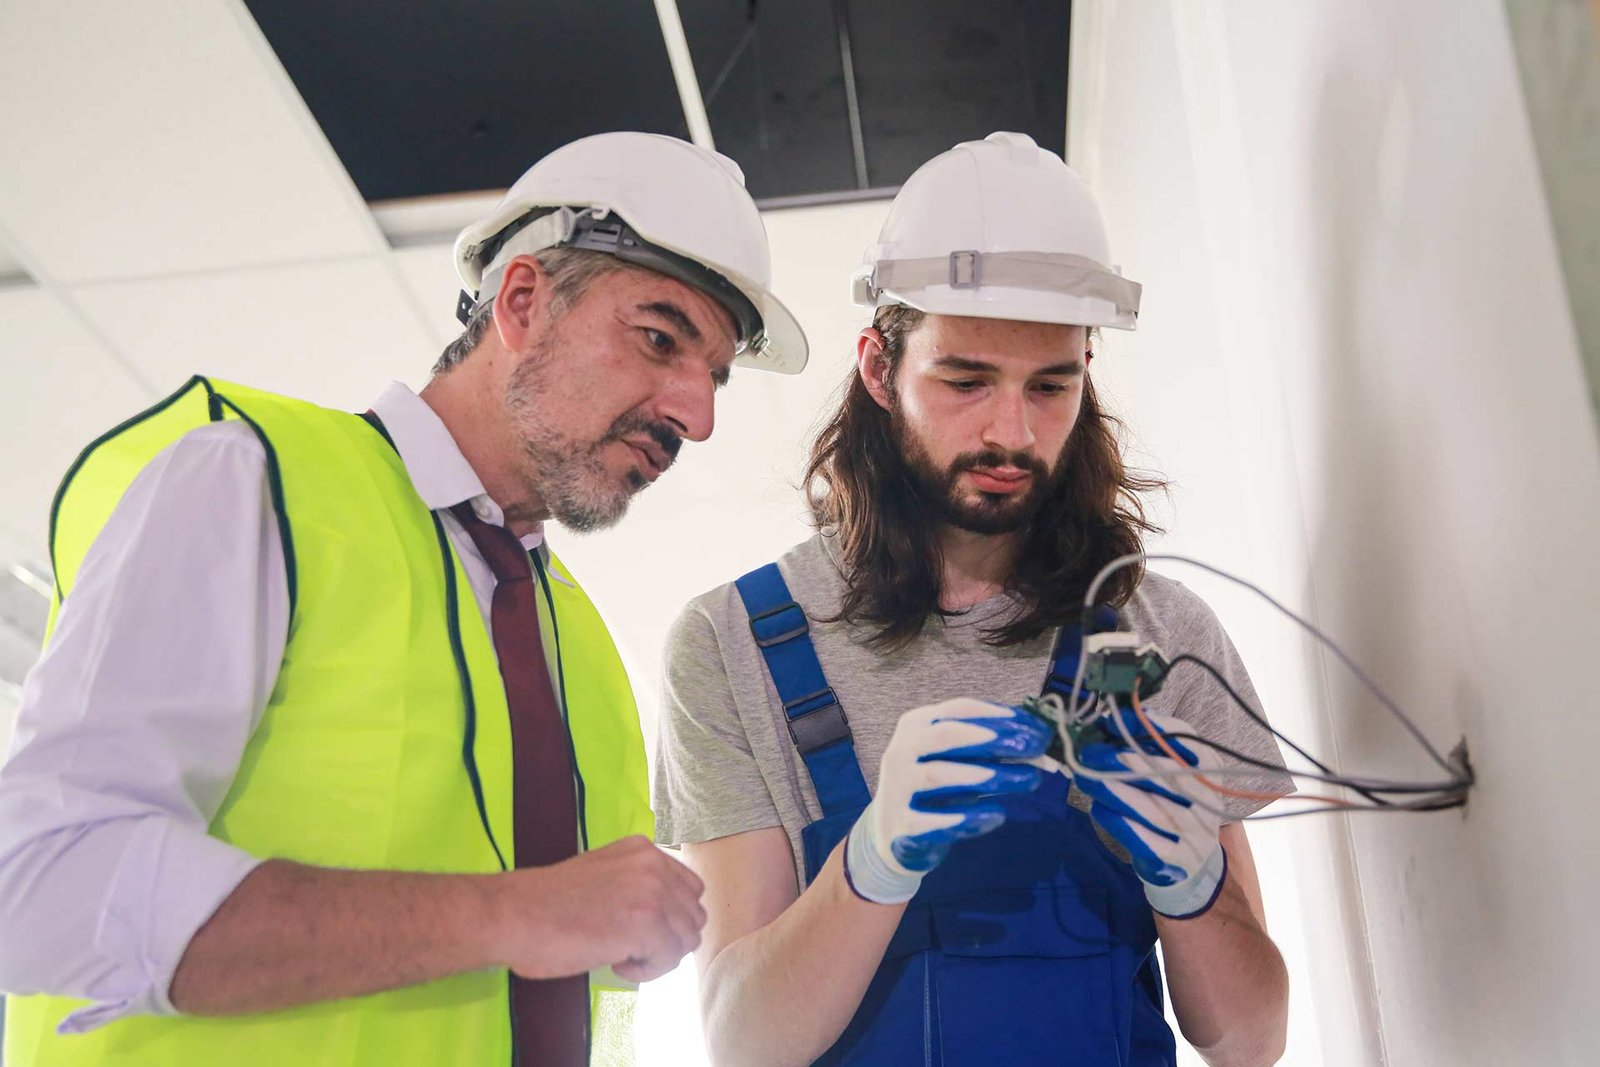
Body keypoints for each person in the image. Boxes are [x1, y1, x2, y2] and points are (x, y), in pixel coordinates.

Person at [0, 131, 808, 1067]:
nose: (696, 414)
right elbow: (42, 885)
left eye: (713, 374)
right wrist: (514, 915)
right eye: (659, 338)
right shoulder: (254, 484)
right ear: (521, 302)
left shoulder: (582, 645)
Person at [653, 132, 1292, 1066]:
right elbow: (743, 1042)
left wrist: (1195, 888)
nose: (1012, 430)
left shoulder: (1162, 633)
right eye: (966, 380)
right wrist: (871, 864)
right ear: (879, 367)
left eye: (1051, 386)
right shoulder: (731, 642)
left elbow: (1253, 1040)